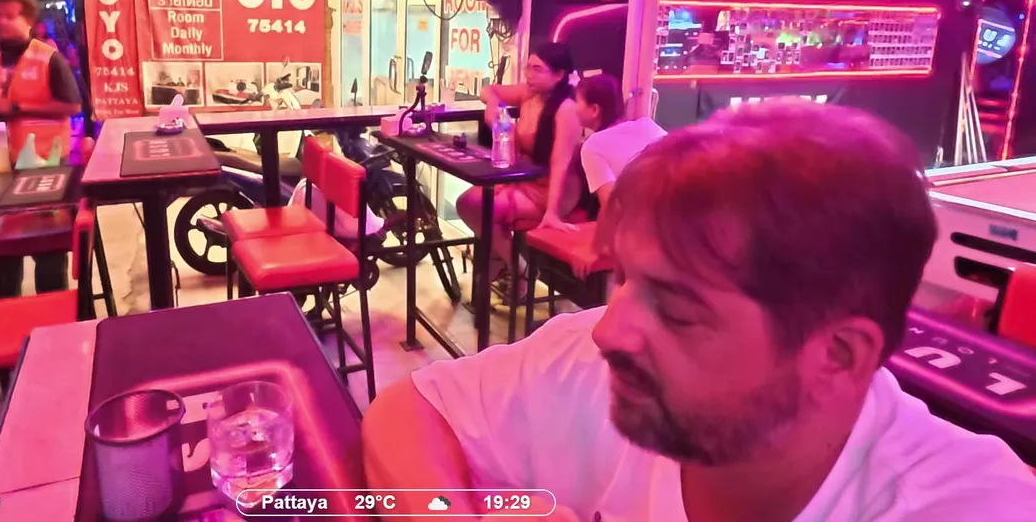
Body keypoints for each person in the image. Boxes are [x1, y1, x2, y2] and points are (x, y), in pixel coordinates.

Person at [363, 100, 1036, 522]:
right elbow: (408, 411)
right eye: (625, 278)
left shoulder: (967, 504)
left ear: (836, 354)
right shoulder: (592, 363)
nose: (610, 329)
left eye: (679, 310)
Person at [0, 0, 82, 298]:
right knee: (3, 235)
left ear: (29, 21)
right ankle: (5, 300)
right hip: (0, 156)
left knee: (47, 240)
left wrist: (15, 108)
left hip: (44, 160)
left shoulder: (48, 57)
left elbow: (73, 106)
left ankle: (51, 302)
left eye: (9, 16)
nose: (1, 21)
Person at [456, 43, 583, 287]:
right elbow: (488, 90)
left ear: (559, 75)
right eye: (528, 67)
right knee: (467, 202)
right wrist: (493, 109)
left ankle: (516, 270)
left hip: (552, 190)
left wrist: (552, 212)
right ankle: (515, 265)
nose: (529, 74)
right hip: (524, 179)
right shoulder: (529, 93)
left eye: (537, 69)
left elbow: (560, 164)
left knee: (479, 207)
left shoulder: (566, 109)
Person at [570, 73, 667, 276]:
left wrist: (596, 250)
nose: (573, 107)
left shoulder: (593, 146)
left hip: (648, 237)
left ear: (594, 110)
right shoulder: (648, 125)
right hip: (679, 229)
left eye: (577, 101)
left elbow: (612, 204)